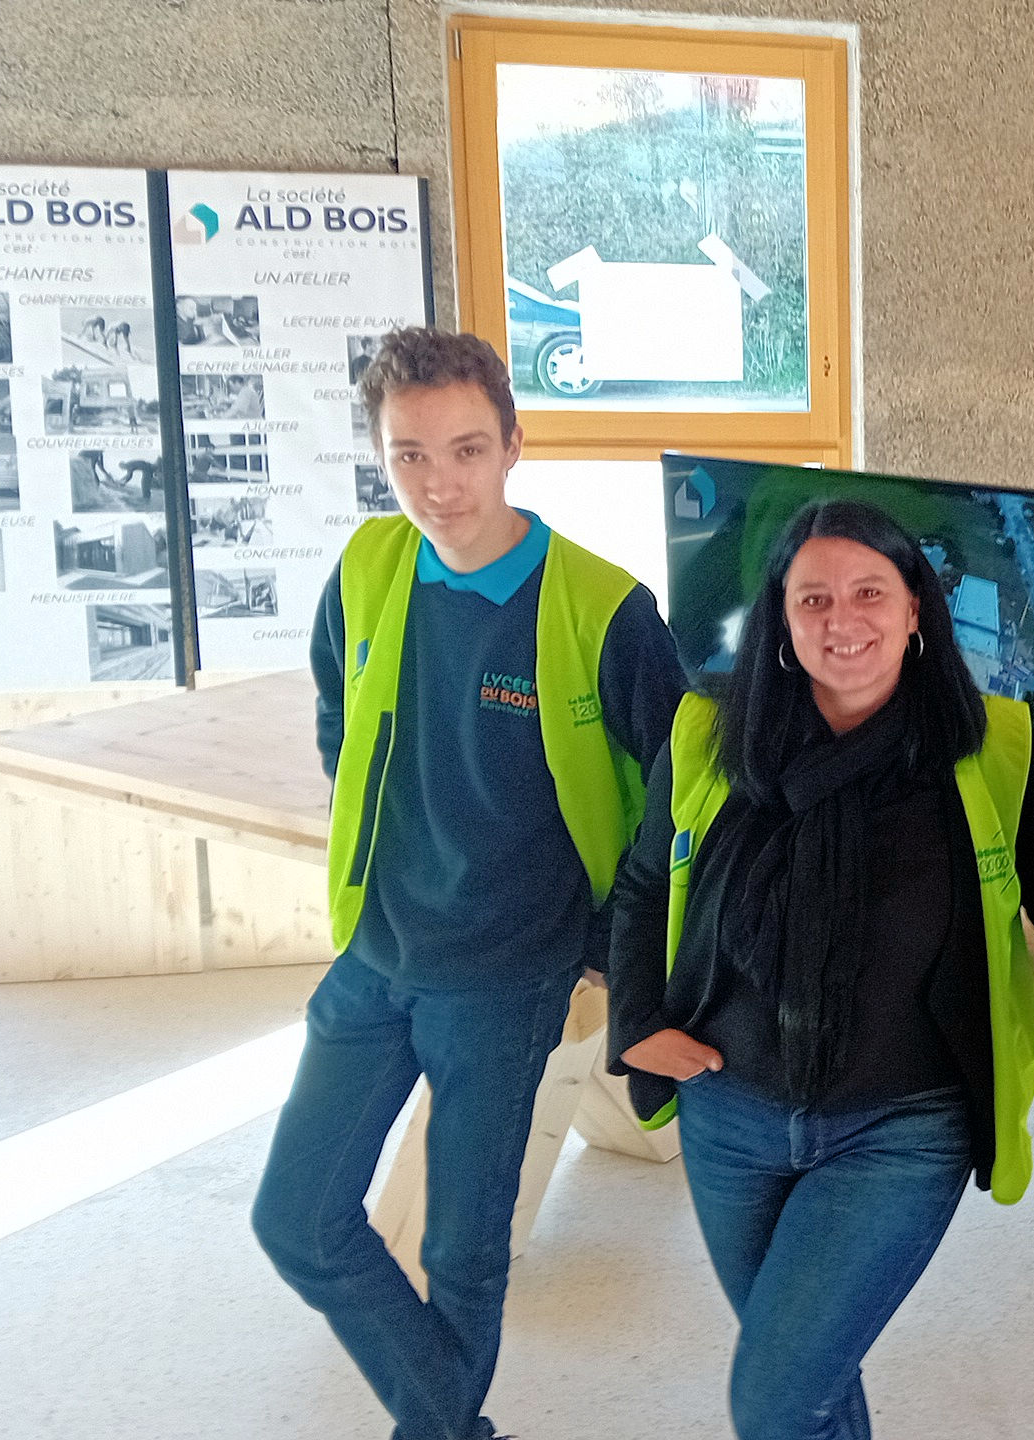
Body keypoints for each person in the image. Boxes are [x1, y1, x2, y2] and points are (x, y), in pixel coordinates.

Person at [251, 327, 687, 1440]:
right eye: (408, 456)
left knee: (460, 1248)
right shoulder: (367, 570)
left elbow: (677, 798)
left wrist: (604, 950)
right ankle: (452, 1426)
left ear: (513, 446)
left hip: (509, 976)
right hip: (378, 953)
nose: (438, 485)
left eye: (465, 451)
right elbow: (339, 722)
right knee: (295, 1219)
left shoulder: (604, 608)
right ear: (380, 454)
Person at [605, 498, 1034, 1440]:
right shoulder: (707, 735)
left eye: (868, 593)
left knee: (772, 1395)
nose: (840, 620)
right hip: (728, 1116)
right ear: (778, 617)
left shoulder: (998, 750)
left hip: (900, 1130)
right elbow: (646, 882)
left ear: (915, 614)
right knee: (809, 1380)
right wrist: (637, 1027)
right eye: (812, 598)